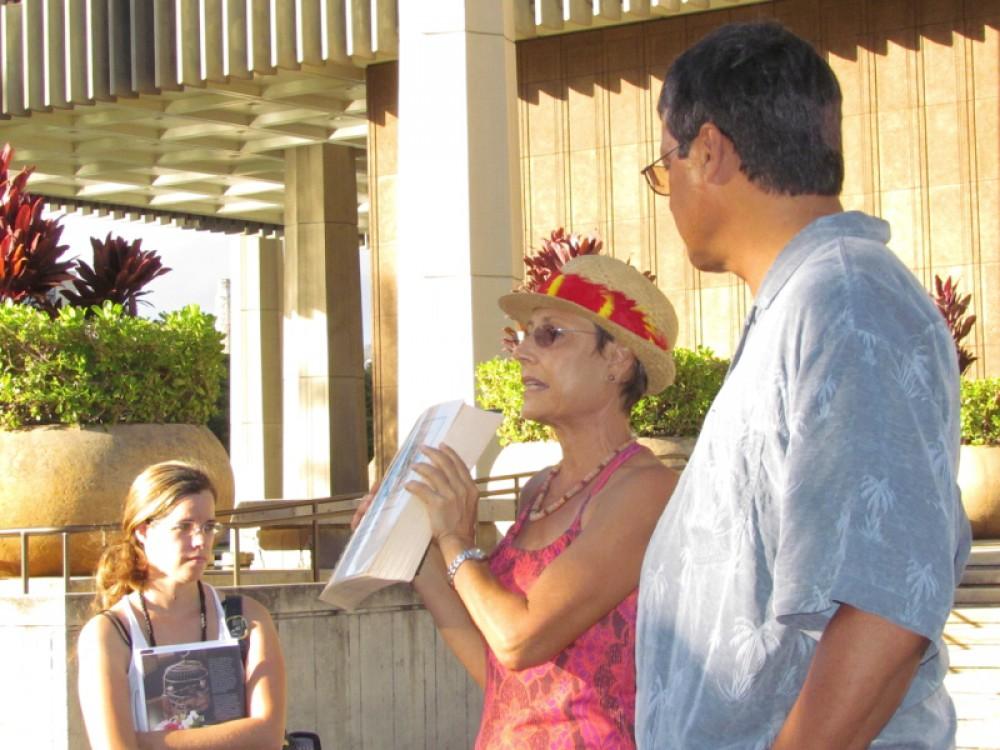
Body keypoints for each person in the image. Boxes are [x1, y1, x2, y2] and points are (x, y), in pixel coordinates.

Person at [635, 21, 971, 749]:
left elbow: (886, 608)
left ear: (708, 151)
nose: (667, 193)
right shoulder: (807, 303)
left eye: (665, 166)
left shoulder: (846, 301)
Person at [354, 255, 679, 748]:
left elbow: (518, 641)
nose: (522, 352)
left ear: (618, 359)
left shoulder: (646, 489)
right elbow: (500, 674)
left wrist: (454, 538)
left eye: (549, 335)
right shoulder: (538, 490)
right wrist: (413, 550)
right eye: (523, 336)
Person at [77, 461, 287, 750]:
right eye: (184, 527)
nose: (201, 540)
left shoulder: (247, 618)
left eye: (208, 527)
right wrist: (237, 736)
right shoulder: (110, 633)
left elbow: (268, 736)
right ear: (143, 531)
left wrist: (144, 742)